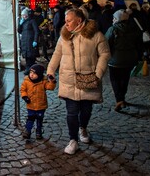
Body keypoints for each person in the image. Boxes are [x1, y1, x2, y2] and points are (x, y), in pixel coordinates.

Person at [46, 8, 110, 155]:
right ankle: (73, 140)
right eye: (65, 20)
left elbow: (105, 54)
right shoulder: (64, 36)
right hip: (69, 79)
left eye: (69, 20)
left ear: (79, 20)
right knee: (72, 112)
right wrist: (50, 71)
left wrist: (98, 73)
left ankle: (83, 128)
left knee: (86, 110)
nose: (66, 23)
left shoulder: (96, 35)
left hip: (89, 79)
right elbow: (57, 54)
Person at [104, 9, 143, 112]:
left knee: (115, 79)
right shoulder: (134, 28)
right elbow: (139, 44)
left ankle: (119, 100)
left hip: (115, 60)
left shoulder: (113, 29)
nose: (113, 20)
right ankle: (122, 98)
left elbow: (106, 43)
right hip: (130, 59)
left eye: (114, 18)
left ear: (117, 19)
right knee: (125, 79)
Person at [20, 64, 56, 140]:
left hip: (41, 105)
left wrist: (52, 81)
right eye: (30, 73)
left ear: (39, 75)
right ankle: (28, 131)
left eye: (34, 74)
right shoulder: (27, 81)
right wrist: (25, 97)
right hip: (31, 105)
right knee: (30, 118)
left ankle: (38, 132)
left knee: (39, 119)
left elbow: (50, 87)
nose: (31, 75)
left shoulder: (43, 82)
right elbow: (23, 90)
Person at [18, 8, 40, 75]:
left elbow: (36, 31)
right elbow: (19, 31)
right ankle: (28, 67)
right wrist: (20, 24)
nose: (23, 16)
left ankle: (31, 68)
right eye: (22, 15)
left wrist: (35, 40)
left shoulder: (32, 21)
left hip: (30, 41)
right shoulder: (23, 22)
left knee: (31, 55)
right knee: (27, 55)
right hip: (24, 41)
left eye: (24, 15)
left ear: (27, 15)